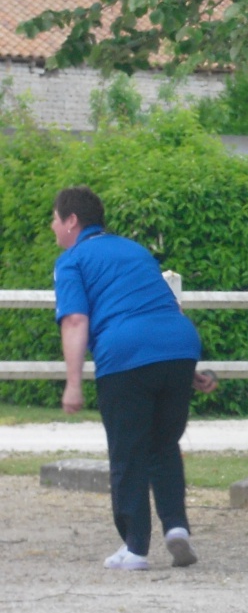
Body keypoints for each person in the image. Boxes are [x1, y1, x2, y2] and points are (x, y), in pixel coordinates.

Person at [52, 185, 218, 571]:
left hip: (125, 354)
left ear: (72, 220)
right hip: (178, 345)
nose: (54, 228)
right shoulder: (135, 250)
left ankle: (135, 548)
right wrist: (188, 369)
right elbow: (165, 307)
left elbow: (76, 319)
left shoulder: (72, 260)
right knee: (163, 445)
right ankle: (176, 528)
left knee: (127, 451)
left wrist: (73, 383)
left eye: (55, 221)